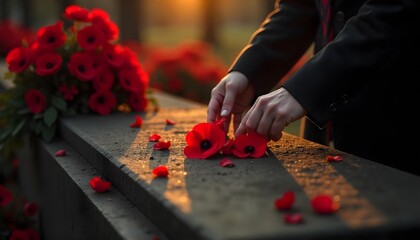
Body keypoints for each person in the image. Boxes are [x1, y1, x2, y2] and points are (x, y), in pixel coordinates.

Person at [207, 0, 420, 175]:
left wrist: (305, 89)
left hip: (396, 129)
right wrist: (246, 72)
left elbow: (395, 12)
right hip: (326, 132)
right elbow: (299, 8)